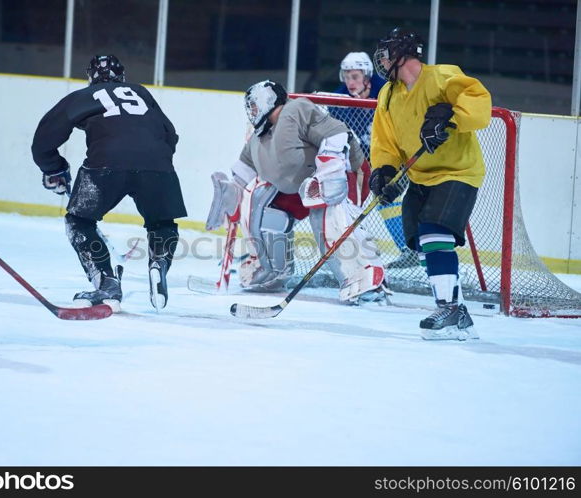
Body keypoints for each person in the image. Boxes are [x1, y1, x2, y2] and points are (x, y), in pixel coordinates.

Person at [206, 80, 386, 305]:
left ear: (268, 100)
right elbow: (244, 171)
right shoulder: (258, 137)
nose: (251, 111)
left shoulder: (296, 109)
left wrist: (329, 170)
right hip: (304, 187)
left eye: (254, 105)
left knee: (327, 213)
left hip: (344, 175)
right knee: (262, 205)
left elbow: (338, 134)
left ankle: (364, 276)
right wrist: (231, 193)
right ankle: (273, 270)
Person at [31, 55, 186, 312]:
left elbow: (43, 140)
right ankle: (158, 263)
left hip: (106, 164)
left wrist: (54, 167)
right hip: (157, 164)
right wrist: (156, 160)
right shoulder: (141, 92)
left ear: (91, 77)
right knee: (162, 223)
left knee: (79, 221)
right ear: (122, 76)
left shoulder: (83, 96)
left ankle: (106, 281)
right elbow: (170, 133)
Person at [369, 27, 491, 340]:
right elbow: (386, 141)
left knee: (434, 230)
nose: (382, 61)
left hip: (457, 171)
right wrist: (384, 171)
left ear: (402, 54)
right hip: (420, 176)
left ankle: (447, 307)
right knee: (423, 244)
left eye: (386, 54)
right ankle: (459, 313)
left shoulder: (441, 77)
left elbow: (479, 102)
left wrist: (450, 115)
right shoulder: (388, 95)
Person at [333, 51, 419, 269]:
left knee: (391, 198)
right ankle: (346, 250)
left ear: (367, 76)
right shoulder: (338, 99)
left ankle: (413, 249)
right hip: (361, 161)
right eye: (346, 76)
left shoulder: (387, 91)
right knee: (347, 201)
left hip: (395, 155)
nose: (349, 82)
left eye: (354, 76)